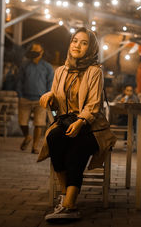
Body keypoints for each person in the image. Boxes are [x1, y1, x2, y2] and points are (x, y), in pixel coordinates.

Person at [38, 27, 116, 221]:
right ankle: (66, 196)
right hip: (65, 122)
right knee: (54, 137)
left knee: (77, 145)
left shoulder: (94, 71)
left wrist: (81, 121)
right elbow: (57, 104)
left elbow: (94, 104)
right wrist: (49, 97)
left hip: (91, 126)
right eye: (75, 41)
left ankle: (70, 205)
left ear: (90, 48)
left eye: (84, 43)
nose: (77, 46)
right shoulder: (60, 71)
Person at [16, 43, 54, 154]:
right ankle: (27, 136)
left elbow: (50, 83)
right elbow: (19, 80)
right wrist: (20, 95)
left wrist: (48, 96)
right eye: (33, 50)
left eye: (37, 51)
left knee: (39, 123)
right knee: (22, 122)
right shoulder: (24, 65)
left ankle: (35, 146)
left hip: (41, 99)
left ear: (42, 52)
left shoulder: (47, 67)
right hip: (25, 98)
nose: (35, 52)